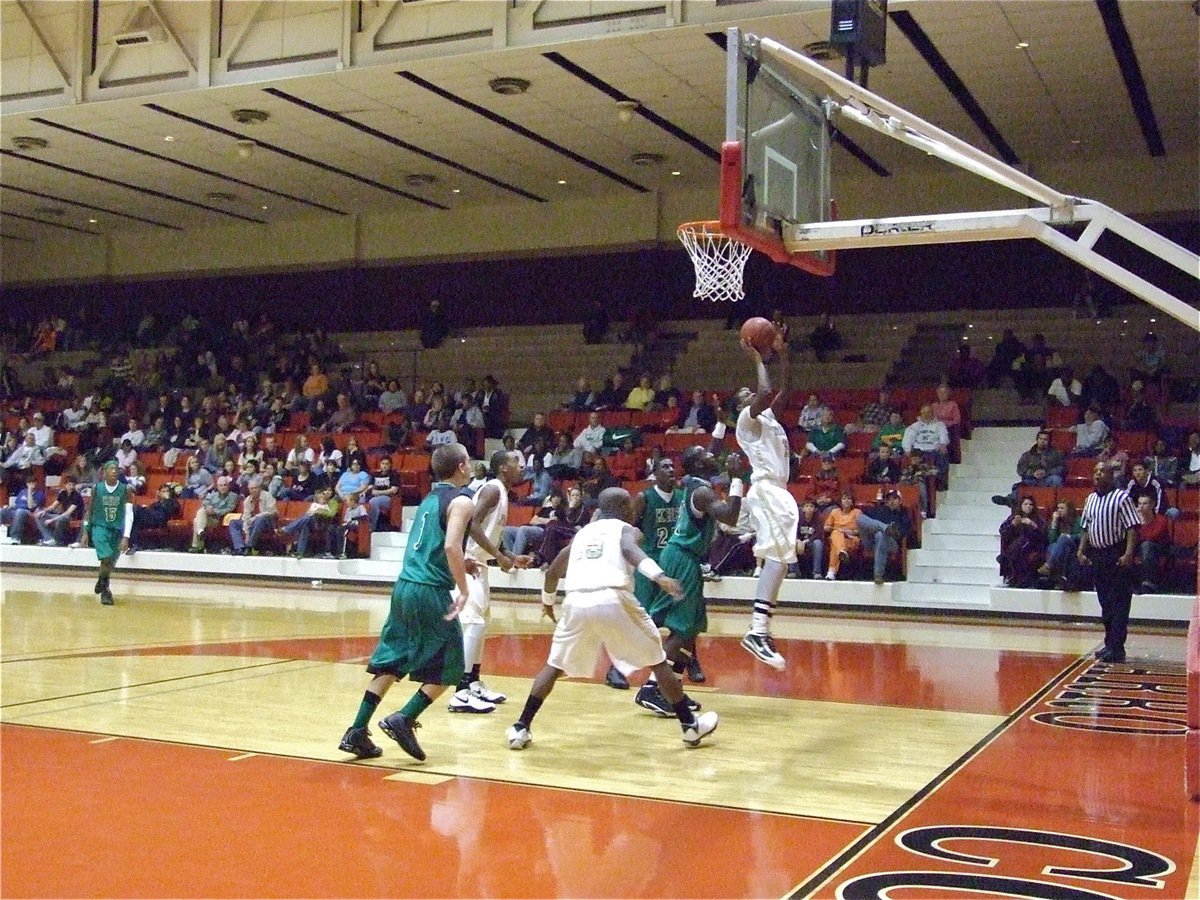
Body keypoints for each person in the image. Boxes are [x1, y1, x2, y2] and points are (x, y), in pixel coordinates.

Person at [505, 487, 720, 752]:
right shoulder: (628, 530)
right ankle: (690, 727)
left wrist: (548, 603)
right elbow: (630, 550)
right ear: (624, 509)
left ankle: (520, 727)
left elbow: (554, 569)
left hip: (576, 601)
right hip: (613, 596)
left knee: (554, 665)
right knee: (658, 660)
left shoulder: (582, 533)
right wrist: (659, 576)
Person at [337, 443, 476, 762]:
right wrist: (464, 588)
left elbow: (432, 546)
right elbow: (452, 545)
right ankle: (404, 717)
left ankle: (357, 730)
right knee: (452, 664)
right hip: (429, 591)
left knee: (393, 661)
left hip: (404, 586)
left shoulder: (429, 499)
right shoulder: (462, 500)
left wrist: (458, 563)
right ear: (462, 467)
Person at [632, 446, 740, 717]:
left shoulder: (695, 485)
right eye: (706, 454)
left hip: (684, 557)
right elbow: (731, 516)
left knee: (690, 628)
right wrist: (738, 479)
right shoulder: (702, 492)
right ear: (697, 464)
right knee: (681, 628)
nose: (712, 455)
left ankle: (673, 690)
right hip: (682, 558)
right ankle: (653, 688)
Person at [448, 449, 525, 715]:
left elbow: (491, 533)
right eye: (516, 462)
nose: (521, 467)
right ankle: (460, 691)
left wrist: (509, 556)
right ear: (503, 467)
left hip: (480, 562)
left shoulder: (501, 491)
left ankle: (474, 683)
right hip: (469, 561)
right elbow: (472, 524)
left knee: (483, 624)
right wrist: (498, 556)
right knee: (473, 623)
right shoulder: (492, 490)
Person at [734, 331, 793, 670]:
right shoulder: (747, 420)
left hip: (778, 492)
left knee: (781, 560)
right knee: (776, 559)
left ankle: (761, 629)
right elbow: (767, 391)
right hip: (767, 489)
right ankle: (757, 631)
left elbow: (786, 389)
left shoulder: (770, 418)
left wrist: (783, 354)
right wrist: (758, 359)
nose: (751, 393)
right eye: (745, 394)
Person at [604, 457, 684, 691]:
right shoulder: (644, 498)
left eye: (672, 466)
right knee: (638, 620)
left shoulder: (681, 497)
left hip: (673, 565)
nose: (671, 469)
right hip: (649, 567)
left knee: (683, 617)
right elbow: (629, 528)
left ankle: (689, 662)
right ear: (654, 474)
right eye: (665, 467)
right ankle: (615, 669)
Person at [1076, 462, 1141, 663]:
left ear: (1111, 475)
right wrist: (1081, 550)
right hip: (1098, 555)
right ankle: (1109, 643)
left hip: (1116, 553)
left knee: (1119, 601)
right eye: (1095, 471)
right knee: (1105, 602)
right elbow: (1086, 527)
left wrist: (1129, 553)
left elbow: (1132, 527)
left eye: (1101, 471)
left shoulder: (1122, 497)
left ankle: (1117, 647)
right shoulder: (1091, 499)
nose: (1097, 474)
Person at [84, 460, 131, 606]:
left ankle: (101, 580)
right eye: (110, 469)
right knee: (105, 558)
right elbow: (89, 511)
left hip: (117, 529)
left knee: (110, 563)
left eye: (116, 469)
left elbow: (129, 515)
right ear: (104, 473)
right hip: (100, 527)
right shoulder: (96, 488)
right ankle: (106, 591)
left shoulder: (126, 490)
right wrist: (86, 531)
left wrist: (126, 537)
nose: (114, 471)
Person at [857, 490, 910, 585]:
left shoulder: (904, 514)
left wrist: (892, 533)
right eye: (889, 499)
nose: (891, 501)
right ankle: (886, 528)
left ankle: (878, 575)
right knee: (859, 518)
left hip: (892, 543)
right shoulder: (881, 510)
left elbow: (903, 534)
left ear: (900, 501)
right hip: (871, 541)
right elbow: (866, 521)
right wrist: (882, 527)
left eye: (894, 499)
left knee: (881, 535)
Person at [997, 496, 1047, 588]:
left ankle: (1009, 565)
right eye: (1026, 504)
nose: (1028, 506)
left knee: (1022, 543)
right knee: (1018, 545)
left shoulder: (1038, 519)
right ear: (1021, 506)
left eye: (1031, 504)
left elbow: (1043, 537)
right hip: (1017, 545)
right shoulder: (1013, 518)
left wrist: (1032, 525)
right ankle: (1014, 576)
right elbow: (1003, 531)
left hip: (1033, 545)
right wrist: (1012, 525)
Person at [1038, 500, 1084, 590]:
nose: (1059, 510)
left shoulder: (1078, 520)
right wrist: (1054, 523)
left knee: (1063, 538)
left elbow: (1082, 535)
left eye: (1062, 508)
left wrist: (1070, 536)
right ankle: (1058, 579)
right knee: (1052, 546)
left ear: (1069, 509)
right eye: (1058, 508)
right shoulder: (1058, 522)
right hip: (1062, 549)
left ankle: (1048, 566)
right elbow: (1051, 540)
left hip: (1075, 546)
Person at [228, 476, 277, 556]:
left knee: (261, 519)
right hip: (252, 523)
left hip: (268, 522)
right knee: (234, 523)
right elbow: (246, 518)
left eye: (256, 488)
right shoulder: (247, 500)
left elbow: (272, 512)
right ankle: (240, 547)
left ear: (259, 488)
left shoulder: (267, 496)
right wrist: (246, 533)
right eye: (251, 488)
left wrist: (256, 517)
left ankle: (250, 546)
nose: (254, 490)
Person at [190, 475, 238, 552]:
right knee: (200, 513)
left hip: (220, 519)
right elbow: (205, 502)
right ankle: (200, 533)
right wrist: (208, 506)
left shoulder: (233, 496)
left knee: (197, 519)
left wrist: (214, 511)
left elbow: (229, 509)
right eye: (220, 485)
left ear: (228, 486)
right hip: (208, 518)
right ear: (217, 487)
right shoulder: (213, 495)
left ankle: (197, 545)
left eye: (225, 485)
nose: (223, 487)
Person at [1133, 494, 1170, 594]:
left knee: (1147, 546)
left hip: (1158, 550)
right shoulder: (1133, 521)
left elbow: (1152, 536)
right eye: (1139, 504)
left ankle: (1149, 583)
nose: (1141, 507)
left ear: (1152, 505)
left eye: (1145, 503)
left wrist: (1142, 524)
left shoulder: (1161, 520)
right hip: (1137, 550)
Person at [127, 483, 181, 552]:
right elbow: (150, 510)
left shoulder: (173, 502)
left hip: (161, 519)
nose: (166, 493)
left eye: (167, 491)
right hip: (150, 519)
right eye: (163, 491)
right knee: (133, 519)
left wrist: (167, 499)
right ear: (159, 493)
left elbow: (174, 510)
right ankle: (132, 544)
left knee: (135, 509)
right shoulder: (155, 504)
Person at [34, 474, 84, 546]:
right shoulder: (63, 493)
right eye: (69, 485)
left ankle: (56, 540)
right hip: (61, 515)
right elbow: (53, 506)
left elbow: (68, 512)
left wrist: (52, 520)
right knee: (39, 516)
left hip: (72, 517)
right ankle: (49, 538)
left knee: (62, 519)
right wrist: (44, 511)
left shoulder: (77, 496)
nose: (71, 487)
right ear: (65, 485)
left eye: (73, 485)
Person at [823, 492, 862, 580]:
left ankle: (831, 571)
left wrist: (847, 531)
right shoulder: (835, 512)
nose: (846, 501)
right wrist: (837, 529)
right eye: (844, 499)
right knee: (836, 534)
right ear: (840, 501)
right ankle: (841, 551)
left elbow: (860, 530)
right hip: (838, 537)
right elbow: (826, 527)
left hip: (851, 539)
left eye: (849, 499)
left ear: (852, 502)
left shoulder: (857, 512)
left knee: (835, 544)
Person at [1, 478, 46, 544]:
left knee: (20, 511)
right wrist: (9, 507)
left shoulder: (40, 494)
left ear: (36, 483)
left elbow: (31, 506)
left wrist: (29, 492)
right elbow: (16, 504)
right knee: (2, 511)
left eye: (33, 482)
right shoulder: (22, 492)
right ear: (27, 484)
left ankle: (15, 537)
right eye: (29, 483)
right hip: (16, 510)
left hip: (29, 512)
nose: (31, 484)